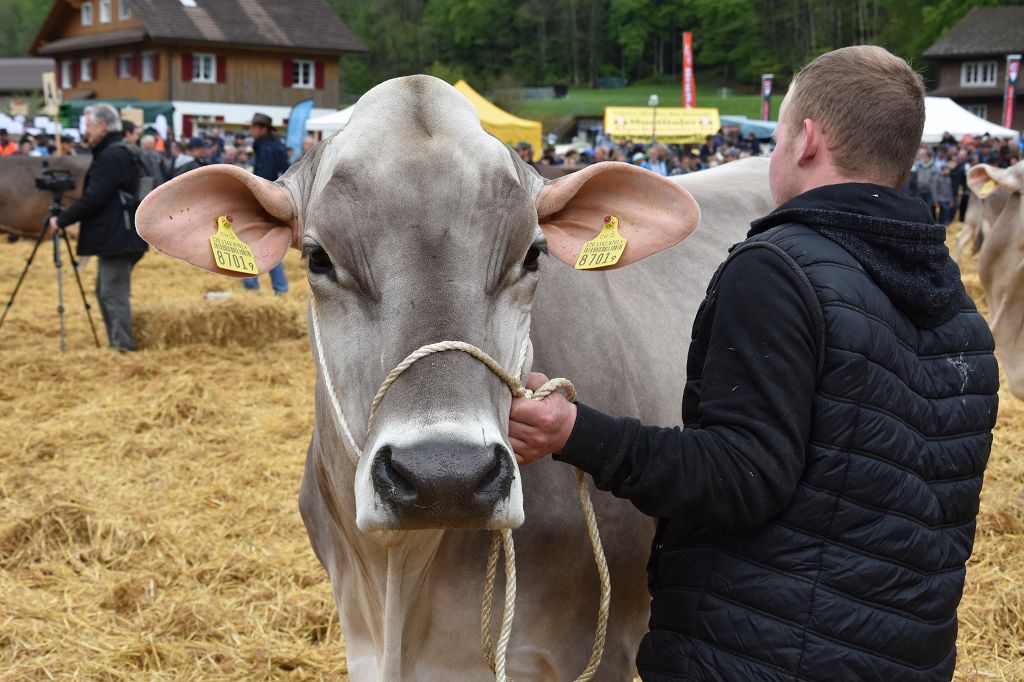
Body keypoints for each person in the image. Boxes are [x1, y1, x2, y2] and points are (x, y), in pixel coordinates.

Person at [509, 45, 998, 681]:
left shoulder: (779, 270)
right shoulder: (959, 310)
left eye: (779, 137)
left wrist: (575, 432)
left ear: (806, 141)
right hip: (907, 658)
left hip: (761, 654)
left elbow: (741, 477)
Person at [49, 103, 147, 352]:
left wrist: (62, 220)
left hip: (118, 235)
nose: (86, 131)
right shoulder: (118, 151)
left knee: (112, 292)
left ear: (102, 126)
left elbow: (95, 198)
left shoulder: (112, 155)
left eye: (89, 125)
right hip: (121, 233)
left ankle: (123, 346)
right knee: (105, 291)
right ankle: (116, 343)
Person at [242, 113, 289, 294]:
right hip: (274, 199)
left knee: (252, 241)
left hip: (265, 200)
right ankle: (278, 288)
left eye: (253, 127)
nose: (251, 130)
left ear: (263, 129)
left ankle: (254, 285)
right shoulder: (273, 145)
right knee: (268, 243)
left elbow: (264, 178)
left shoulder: (267, 148)